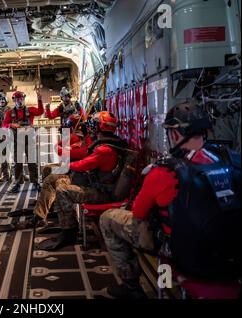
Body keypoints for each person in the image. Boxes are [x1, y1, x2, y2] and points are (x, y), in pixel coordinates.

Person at [99, 101, 241, 299]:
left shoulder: (165, 171)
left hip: (185, 255)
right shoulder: (233, 160)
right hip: (233, 257)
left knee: (108, 219)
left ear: (174, 134)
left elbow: (139, 213)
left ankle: (132, 286)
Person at [36, 111, 127, 250]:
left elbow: (82, 164)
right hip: (100, 187)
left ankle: (69, 232)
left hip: (102, 192)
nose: (90, 127)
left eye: (94, 125)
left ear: (99, 127)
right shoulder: (109, 145)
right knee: (61, 184)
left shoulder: (104, 150)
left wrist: (67, 165)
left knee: (63, 190)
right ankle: (63, 223)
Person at [0, 115, 94, 233]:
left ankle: (40, 216)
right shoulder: (78, 138)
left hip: (78, 175)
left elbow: (62, 151)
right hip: (72, 170)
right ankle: (49, 205)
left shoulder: (87, 142)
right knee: (47, 169)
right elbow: (61, 147)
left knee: (51, 179)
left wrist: (70, 140)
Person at [2, 90, 44, 193]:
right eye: (17, 99)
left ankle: (35, 182)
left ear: (23, 99)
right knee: (18, 163)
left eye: (21, 99)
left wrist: (39, 99)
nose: (19, 101)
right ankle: (17, 183)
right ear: (14, 101)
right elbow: (3, 125)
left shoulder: (30, 110)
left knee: (32, 162)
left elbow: (40, 112)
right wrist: (11, 125)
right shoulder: (9, 113)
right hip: (17, 141)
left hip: (30, 140)